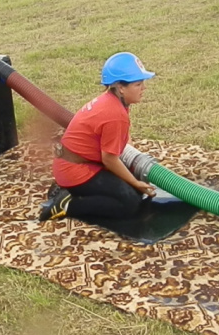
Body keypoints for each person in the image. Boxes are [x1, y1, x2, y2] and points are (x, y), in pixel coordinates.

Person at [39, 52, 157, 221]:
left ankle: (70, 191)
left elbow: (121, 139)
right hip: (75, 170)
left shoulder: (114, 100)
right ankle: (67, 204)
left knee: (135, 191)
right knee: (130, 203)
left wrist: (131, 169)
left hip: (82, 163)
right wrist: (134, 182)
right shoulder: (115, 113)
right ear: (121, 88)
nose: (144, 88)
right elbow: (109, 158)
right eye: (138, 84)